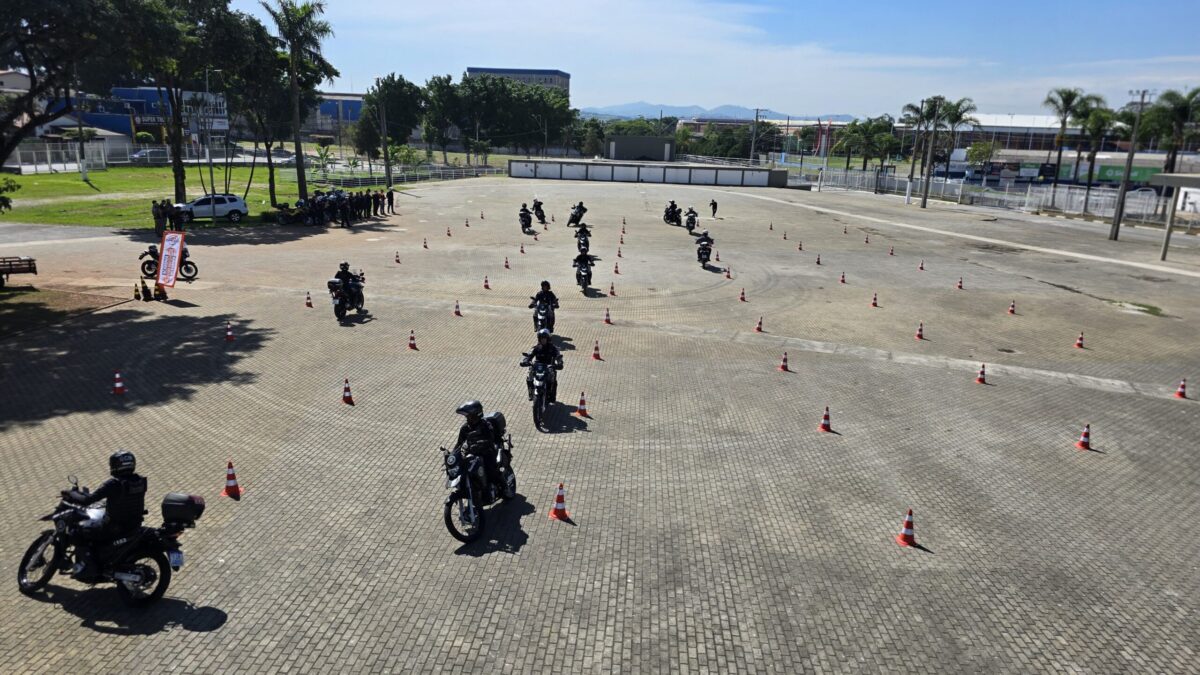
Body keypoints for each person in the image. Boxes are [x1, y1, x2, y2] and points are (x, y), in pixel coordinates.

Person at [62, 450, 148, 580]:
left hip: (113, 527)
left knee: (77, 532)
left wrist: (71, 493)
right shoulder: (140, 481)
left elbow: (87, 500)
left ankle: (90, 567)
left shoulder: (113, 483)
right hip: (133, 525)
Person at [452, 401, 503, 497]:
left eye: (469, 416)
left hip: (487, 453)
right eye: (467, 417)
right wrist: (452, 455)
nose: (467, 419)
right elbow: (459, 443)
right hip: (473, 454)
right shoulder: (465, 428)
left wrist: (481, 444)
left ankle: (502, 486)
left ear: (477, 414)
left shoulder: (486, 425)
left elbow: (490, 439)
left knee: (491, 472)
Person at [521, 329, 563, 401]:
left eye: (544, 338)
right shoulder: (536, 347)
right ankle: (531, 392)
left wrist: (559, 363)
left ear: (548, 339)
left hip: (549, 366)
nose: (543, 340)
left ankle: (552, 395)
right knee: (529, 375)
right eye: (541, 338)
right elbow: (529, 355)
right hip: (538, 367)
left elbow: (558, 356)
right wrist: (525, 361)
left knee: (553, 378)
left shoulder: (553, 348)